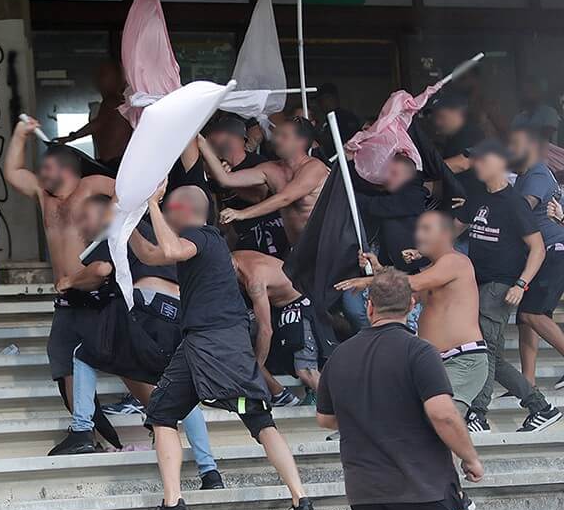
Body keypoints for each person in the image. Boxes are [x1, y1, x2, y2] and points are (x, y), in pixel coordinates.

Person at [316, 268, 490, 510]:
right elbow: (444, 414)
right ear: (412, 304)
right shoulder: (419, 351)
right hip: (424, 488)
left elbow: (325, 418)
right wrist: (470, 458)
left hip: (368, 493)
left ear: (369, 305)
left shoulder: (341, 355)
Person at [128, 183, 317, 510]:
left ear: (182, 210)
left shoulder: (202, 236)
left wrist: (150, 202)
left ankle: (173, 503)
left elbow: (167, 249)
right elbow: (153, 255)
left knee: (162, 414)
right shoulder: (204, 242)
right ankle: (301, 500)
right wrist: (127, 224)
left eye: (169, 207)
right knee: (259, 420)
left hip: (207, 342)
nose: (165, 213)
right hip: (226, 343)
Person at [56, 189, 226, 492]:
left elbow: (101, 270)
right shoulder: (170, 236)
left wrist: (69, 281)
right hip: (179, 316)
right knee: (182, 393)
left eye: (85, 218)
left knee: (84, 352)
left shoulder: (124, 227)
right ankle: (209, 471)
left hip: (148, 307)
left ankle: (81, 432)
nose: (83, 227)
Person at [6, 116, 122, 452]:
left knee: (123, 364)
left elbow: (132, 188)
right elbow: (13, 173)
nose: (41, 173)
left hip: (97, 287)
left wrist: (113, 219)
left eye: (48, 167)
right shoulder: (45, 197)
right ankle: (86, 435)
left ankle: (160, 417)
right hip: (67, 294)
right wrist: (19, 134)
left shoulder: (90, 187)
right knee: (62, 356)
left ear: (67, 170)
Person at [337, 212, 487, 419]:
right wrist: (379, 270)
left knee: (438, 426)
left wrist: (368, 281)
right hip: (433, 362)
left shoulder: (456, 261)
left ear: (445, 234)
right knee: (414, 424)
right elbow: (407, 289)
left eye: (426, 230)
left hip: (461, 361)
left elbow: (413, 283)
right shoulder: (433, 270)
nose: (418, 235)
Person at [457, 141, 560, 433]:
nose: (475, 165)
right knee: (491, 354)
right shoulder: (478, 197)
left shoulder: (515, 202)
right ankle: (541, 407)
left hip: (500, 286)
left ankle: (478, 413)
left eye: (480, 159)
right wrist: (421, 251)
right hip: (478, 285)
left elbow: (538, 248)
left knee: (483, 350)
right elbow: (452, 228)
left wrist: (520, 284)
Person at [209, 118, 330, 246]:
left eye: (284, 136)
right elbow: (225, 180)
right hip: (298, 250)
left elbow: (285, 198)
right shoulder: (269, 168)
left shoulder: (315, 167)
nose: (276, 140)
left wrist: (241, 214)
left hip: (325, 246)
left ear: (301, 142)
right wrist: (201, 143)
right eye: (276, 135)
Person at [508, 126, 564, 388]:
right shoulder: (524, 175)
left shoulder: (538, 173)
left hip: (553, 251)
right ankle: (527, 383)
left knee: (533, 314)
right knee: (525, 318)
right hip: (542, 254)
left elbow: (524, 209)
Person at [231, 249, 323, 405]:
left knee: (305, 370)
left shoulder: (254, 282)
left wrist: (256, 369)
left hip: (299, 302)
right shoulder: (236, 255)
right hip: (279, 306)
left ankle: (341, 409)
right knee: (239, 342)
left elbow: (266, 331)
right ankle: (281, 395)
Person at [199, 115, 289, 259]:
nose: (209, 139)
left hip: (268, 235)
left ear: (231, 137)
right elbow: (217, 205)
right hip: (240, 236)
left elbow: (258, 196)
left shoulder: (257, 163)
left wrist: (228, 179)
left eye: (213, 134)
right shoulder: (217, 169)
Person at [52, 61, 132, 168]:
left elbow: (97, 124)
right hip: (113, 162)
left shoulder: (113, 101)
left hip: (116, 162)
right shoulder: (114, 101)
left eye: (105, 75)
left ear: (118, 79)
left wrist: (72, 137)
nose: (100, 79)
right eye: (99, 75)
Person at [315, 83, 362, 160]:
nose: (320, 104)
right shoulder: (329, 119)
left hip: (342, 160)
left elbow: (347, 140)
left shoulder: (343, 118)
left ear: (330, 98)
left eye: (321, 100)